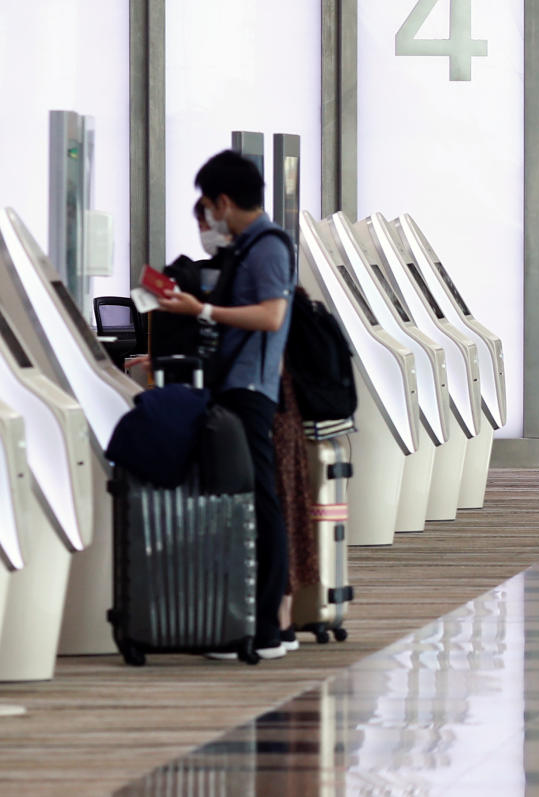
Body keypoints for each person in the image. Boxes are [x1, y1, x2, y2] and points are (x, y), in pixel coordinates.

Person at [155, 150, 297, 659]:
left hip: (250, 389)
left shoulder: (268, 247)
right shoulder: (249, 246)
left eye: (211, 208)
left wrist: (203, 309)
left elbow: (272, 315)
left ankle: (265, 632)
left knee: (260, 502)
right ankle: (252, 625)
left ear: (222, 201)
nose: (210, 219)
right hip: (236, 386)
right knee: (247, 501)